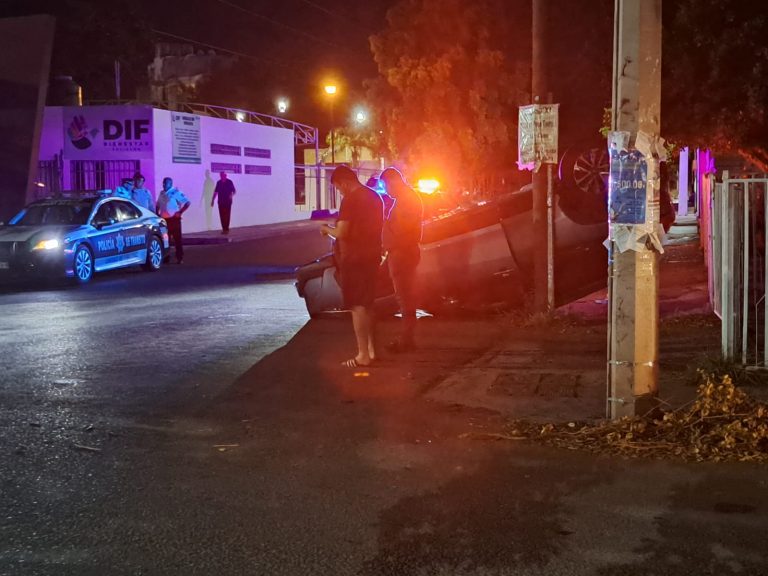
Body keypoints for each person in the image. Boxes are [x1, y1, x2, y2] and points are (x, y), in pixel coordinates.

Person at [320, 166, 384, 368]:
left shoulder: (351, 199)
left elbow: (343, 232)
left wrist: (326, 229)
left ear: (344, 183)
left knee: (357, 307)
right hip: (372, 257)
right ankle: (373, 351)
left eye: (339, 188)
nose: (340, 192)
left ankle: (362, 355)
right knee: (368, 304)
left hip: (354, 260)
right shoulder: (375, 197)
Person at [380, 167, 423, 352]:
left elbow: (400, 228)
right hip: (401, 252)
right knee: (404, 296)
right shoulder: (404, 199)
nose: (386, 190)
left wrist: (385, 225)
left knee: (405, 296)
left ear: (394, 182)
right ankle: (407, 339)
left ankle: (407, 340)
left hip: (402, 252)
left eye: (386, 185)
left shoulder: (407, 200)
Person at [156, 177, 191, 264]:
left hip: (174, 220)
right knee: (165, 239)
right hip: (164, 221)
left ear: (170, 184)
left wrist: (180, 212)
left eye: (166, 183)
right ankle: (166, 257)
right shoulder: (162, 193)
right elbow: (158, 204)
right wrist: (157, 214)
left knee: (177, 239)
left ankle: (179, 257)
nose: (164, 185)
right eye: (163, 183)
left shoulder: (175, 192)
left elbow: (187, 202)